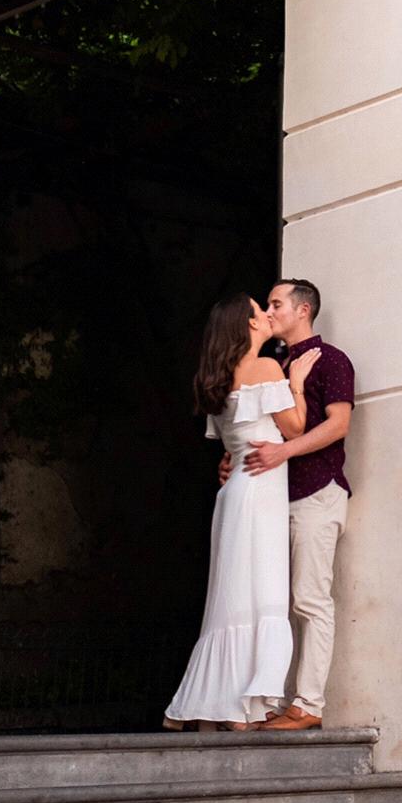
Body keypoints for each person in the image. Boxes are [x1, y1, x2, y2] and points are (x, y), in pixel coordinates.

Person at [163, 295, 318, 730]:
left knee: (231, 598)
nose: (269, 315)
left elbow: (232, 442)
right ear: (246, 326)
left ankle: (222, 705)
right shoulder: (268, 368)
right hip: (260, 492)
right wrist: (297, 383)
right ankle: (244, 706)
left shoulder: (216, 377)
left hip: (234, 493)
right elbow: (294, 429)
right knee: (262, 593)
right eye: (260, 311)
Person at [228, 278, 354, 732]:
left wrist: (284, 452)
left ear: (303, 310)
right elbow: (255, 426)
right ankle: (269, 702)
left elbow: (338, 425)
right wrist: (234, 460)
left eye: (277, 304)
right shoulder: (272, 365)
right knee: (271, 602)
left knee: (310, 600)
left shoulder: (332, 360)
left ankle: (308, 705)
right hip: (271, 499)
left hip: (318, 493)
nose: (269, 310)